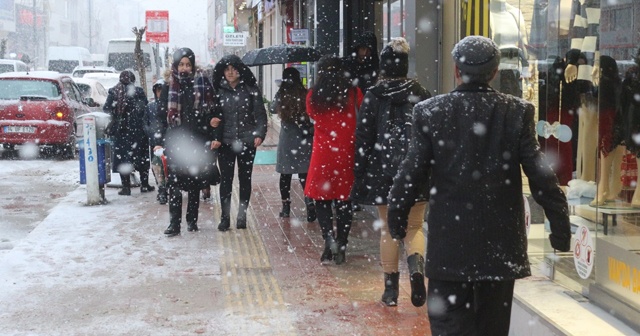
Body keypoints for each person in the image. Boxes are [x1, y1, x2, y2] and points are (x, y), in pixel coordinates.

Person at [387, 36, 571, 334]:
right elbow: (541, 175)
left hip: (450, 245)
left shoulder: (430, 112)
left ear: (456, 70)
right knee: (492, 328)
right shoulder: (516, 112)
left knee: (448, 326)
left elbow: (411, 173)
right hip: (498, 247)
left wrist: (397, 218)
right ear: (495, 72)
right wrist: (560, 227)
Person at [352, 37, 431, 307]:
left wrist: (359, 172)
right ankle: (417, 272)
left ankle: (390, 290)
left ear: (383, 67)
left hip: (383, 172)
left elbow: (363, 138)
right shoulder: (422, 92)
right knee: (415, 227)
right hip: (416, 171)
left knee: (389, 229)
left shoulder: (373, 96)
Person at [305, 55, 363, 265]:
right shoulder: (353, 92)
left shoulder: (313, 95)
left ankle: (328, 240)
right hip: (346, 152)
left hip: (323, 154)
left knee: (322, 199)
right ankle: (342, 243)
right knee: (344, 200)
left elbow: (311, 115)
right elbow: (362, 116)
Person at [157, 47, 219, 237]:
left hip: (197, 140)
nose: (184, 68)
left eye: (188, 64)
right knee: (174, 184)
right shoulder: (169, 86)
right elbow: (160, 116)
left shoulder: (202, 84)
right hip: (175, 142)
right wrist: (158, 140)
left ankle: (192, 220)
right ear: (176, 65)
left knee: (194, 183)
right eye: (181, 64)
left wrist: (212, 128)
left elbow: (213, 111)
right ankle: (174, 223)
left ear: (192, 66)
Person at [211, 55, 268, 231]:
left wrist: (259, 133)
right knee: (226, 181)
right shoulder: (218, 90)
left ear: (240, 70)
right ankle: (225, 217)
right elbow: (210, 113)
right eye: (226, 69)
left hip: (247, 142)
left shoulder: (250, 89)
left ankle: (242, 215)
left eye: (233, 68)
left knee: (245, 179)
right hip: (226, 143)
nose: (230, 72)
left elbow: (260, 115)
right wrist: (211, 122)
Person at [271, 67, 316, 222]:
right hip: (304, 139)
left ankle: (286, 208)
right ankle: (310, 204)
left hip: (288, 140)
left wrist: (279, 92)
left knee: (285, 175)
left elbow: (271, 108)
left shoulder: (282, 94)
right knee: (304, 174)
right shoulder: (305, 94)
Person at [103, 70, 154, 196]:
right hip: (138, 132)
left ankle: (126, 187)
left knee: (123, 159)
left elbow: (106, 108)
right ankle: (144, 185)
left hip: (122, 132)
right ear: (134, 80)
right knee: (141, 158)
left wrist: (116, 114)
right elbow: (145, 108)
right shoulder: (139, 92)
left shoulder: (114, 92)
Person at [144, 79, 168, 205]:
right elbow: (145, 123)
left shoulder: (171, 106)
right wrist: (151, 133)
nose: (160, 93)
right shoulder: (150, 106)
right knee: (157, 166)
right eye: (158, 90)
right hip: (155, 142)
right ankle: (162, 189)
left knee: (168, 166)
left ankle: (167, 188)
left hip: (169, 141)